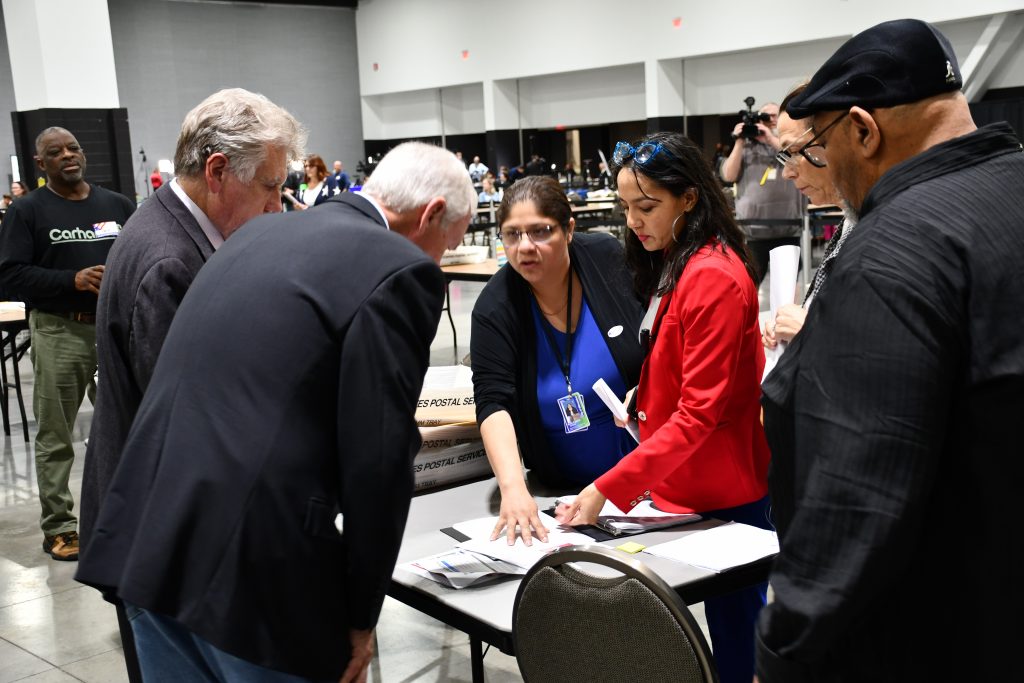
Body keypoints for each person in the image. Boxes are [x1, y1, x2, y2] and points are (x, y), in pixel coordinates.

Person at [76, 141, 476, 682]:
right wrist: (360, 615)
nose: (438, 260)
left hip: (147, 535)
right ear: (431, 214)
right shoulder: (400, 269)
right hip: (255, 572)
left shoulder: (257, 232)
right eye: (445, 246)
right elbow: (376, 462)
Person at [756, 19, 1024, 682]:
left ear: (863, 130)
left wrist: (783, 652)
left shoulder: (893, 252)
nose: (816, 169)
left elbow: (854, 490)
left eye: (818, 145)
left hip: (935, 633)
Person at [558, 133, 770, 683]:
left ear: (690, 199)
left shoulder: (714, 277)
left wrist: (607, 487)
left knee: (736, 644)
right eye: (626, 206)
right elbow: (679, 364)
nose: (633, 220)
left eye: (646, 206)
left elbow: (701, 413)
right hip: (686, 485)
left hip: (726, 491)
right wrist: (647, 397)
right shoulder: (682, 263)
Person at [471, 176, 644, 545]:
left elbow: (656, 335)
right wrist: (514, 489)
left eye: (540, 232)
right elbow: (493, 402)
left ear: (568, 229)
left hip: (642, 485)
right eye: (511, 235)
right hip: (559, 496)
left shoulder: (605, 258)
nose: (524, 247)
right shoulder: (495, 307)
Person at [0, 127, 135, 561]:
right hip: (60, 330)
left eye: (73, 148)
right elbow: (9, 275)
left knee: (130, 426)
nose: (67, 156)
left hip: (114, 329)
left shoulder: (117, 206)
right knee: (56, 434)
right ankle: (59, 527)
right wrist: (70, 280)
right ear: (41, 165)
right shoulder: (27, 211)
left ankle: (132, 513)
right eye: (55, 153)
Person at [762, 83, 856, 350]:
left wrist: (809, 328)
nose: (787, 173)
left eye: (795, 152)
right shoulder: (851, 219)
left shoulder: (884, 228)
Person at [720, 100, 804, 283]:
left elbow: (798, 162)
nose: (771, 120)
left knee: (788, 289)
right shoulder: (746, 148)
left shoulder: (790, 147)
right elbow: (728, 175)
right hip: (754, 233)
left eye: (775, 115)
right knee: (749, 285)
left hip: (788, 230)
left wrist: (770, 139)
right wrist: (739, 141)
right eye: (766, 116)